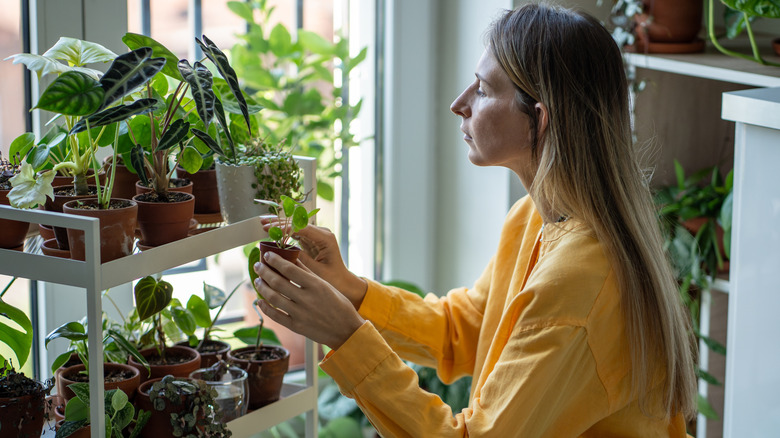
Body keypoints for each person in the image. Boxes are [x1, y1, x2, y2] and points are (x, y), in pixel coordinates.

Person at [254, 3, 698, 436]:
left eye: (483, 90)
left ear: (537, 121)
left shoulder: (579, 280)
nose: (458, 104)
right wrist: (349, 289)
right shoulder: (532, 218)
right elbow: (463, 330)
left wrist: (348, 337)